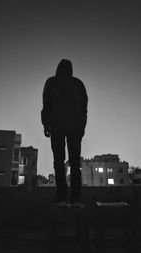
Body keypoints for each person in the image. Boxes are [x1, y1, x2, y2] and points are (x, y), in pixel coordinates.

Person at [41, 59, 88, 207]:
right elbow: (84, 109)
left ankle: (61, 197)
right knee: (74, 163)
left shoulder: (51, 82)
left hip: (57, 126)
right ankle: (76, 199)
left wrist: (46, 125)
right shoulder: (78, 84)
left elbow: (46, 105)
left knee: (59, 162)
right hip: (74, 127)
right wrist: (82, 127)